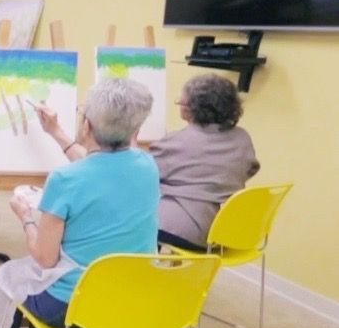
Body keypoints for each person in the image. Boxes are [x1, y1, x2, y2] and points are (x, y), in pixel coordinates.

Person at [0, 78, 159, 328]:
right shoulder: (147, 166)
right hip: (126, 308)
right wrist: (56, 133)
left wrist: (27, 218)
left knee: (11, 278)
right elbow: (99, 169)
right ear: (135, 132)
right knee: (53, 280)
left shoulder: (65, 179)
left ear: (86, 125)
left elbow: (44, 258)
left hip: (74, 312)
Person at [38, 73, 258, 250]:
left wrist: (57, 133)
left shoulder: (177, 143)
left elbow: (118, 173)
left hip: (185, 230)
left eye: (180, 101)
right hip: (225, 227)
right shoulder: (242, 138)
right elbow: (249, 169)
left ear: (192, 109)